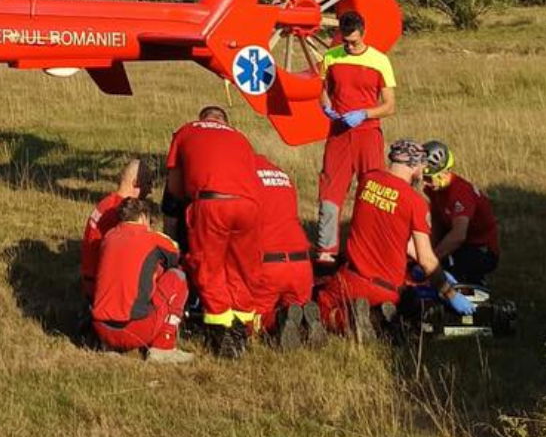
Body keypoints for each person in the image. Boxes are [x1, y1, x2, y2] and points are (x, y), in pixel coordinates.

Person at [317, 140, 475, 339]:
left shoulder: (367, 180)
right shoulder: (416, 203)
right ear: (415, 166)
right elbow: (426, 258)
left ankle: (347, 320)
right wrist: (449, 292)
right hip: (390, 289)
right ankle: (378, 318)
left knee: (322, 303)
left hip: (353, 278)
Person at [164, 106, 263, 356]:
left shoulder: (187, 131)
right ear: (225, 122)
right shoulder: (240, 137)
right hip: (249, 207)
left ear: (203, 119)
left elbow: (174, 187)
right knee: (240, 267)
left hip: (212, 204)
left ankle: (221, 332)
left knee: (208, 267)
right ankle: (241, 327)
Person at [316, 10, 397, 264]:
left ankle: (370, 246)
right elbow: (323, 90)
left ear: (363, 33)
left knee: (371, 189)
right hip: (339, 133)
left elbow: (389, 105)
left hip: (367, 133)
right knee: (330, 189)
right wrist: (326, 106)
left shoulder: (379, 60)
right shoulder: (330, 57)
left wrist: (364, 113)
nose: (350, 46)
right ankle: (326, 250)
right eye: (345, 41)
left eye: (354, 41)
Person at [91, 197, 193, 364]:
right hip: (135, 329)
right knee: (177, 277)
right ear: (144, 217)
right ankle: (163, 347)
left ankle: (110, 346)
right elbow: (176, 257)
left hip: (101, 329)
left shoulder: (108, 237)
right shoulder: (153, 238)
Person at [250, 155, 320, 348]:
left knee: (253, 320)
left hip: (268, 264)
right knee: (297, 306)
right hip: (301, 264)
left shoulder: (242, 175)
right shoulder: (282, 175)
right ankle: (303, 322)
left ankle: (278, 320)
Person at [421, 140, 500, 285]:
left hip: (481, 249)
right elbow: (438, 222)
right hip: (461, 244)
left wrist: (431, 261)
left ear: (443, 174)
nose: (424, 183)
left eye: (427, 178)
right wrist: (427, 252)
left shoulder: (459, 193)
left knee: (446, 271)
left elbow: (458, 235)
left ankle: (476, 293)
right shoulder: (435, 189)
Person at [81, 158, 155, 299]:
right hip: (101, 286)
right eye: (148, 183)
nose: (150, 190)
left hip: (90, 278)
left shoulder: (106, 203)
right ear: (135, 183)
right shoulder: (124, 212)